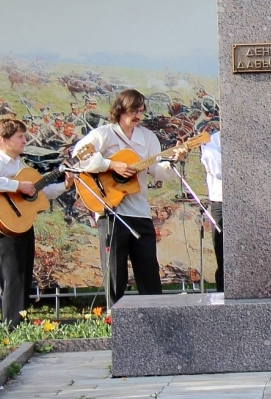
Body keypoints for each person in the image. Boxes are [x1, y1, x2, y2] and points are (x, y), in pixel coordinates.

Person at [74, 88, 193, 301]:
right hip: (112, 212)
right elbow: (79, 157)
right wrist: (112, 165)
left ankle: (155, 319)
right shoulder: (104, 134)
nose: (137, 116)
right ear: (120, 110)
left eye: (140, 111)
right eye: (133, 111)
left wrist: (174, 159)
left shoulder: (148, 137)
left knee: (148, 271)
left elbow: (157, 171)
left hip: (140, 213)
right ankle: (114, 321)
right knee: (115, 272)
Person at [0, 116, 72, 325]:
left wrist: (65, 185)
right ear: (3, 139)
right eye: (20, 137)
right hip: (4, 223)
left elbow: (40, 193)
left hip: (23, 223)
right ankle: (11, 325)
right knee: (12, 274)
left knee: (24, 273)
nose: (24, 141)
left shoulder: (20, 165)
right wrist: (17, 186)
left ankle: (20, 320)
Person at [200, 128, 223, 292]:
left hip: (251, 204)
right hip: (222, 204)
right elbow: (219, 169)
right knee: (224, 260)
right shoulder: (212, 141)